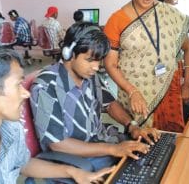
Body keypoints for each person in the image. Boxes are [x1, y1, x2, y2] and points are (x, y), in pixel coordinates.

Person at [0, 42, 114, 183]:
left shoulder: (11, 128)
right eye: (18, 84)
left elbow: (22, 163)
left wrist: (74, 172)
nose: (26, 93)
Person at [30, 22, 159, 172]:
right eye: (90, 60)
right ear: (69, 53)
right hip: (76, 158)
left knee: (149, 157)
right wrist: (112, 149)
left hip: (103, 141)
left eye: (99, 60)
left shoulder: (89, 76)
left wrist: (132, 126)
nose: (96, 67)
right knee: (139, 172)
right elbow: (57, 144)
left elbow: (110, 104)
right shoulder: (46, 87)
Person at [103, 0, 189, 133]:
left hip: (170, 91)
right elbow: (110, 64)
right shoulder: (117, 20)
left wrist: (187, 84)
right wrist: (132, 92)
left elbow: (188, 47)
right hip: (136, 97)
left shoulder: (169, 14)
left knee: (172, 143)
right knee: (142, 149)